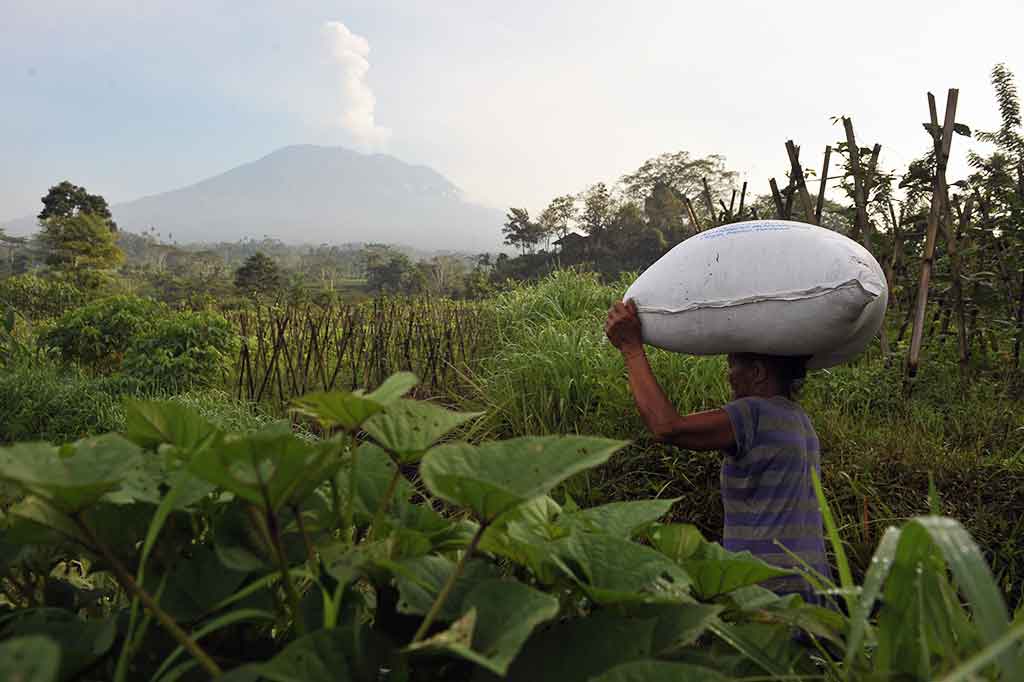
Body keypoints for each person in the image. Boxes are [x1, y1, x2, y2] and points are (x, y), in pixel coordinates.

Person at [604, 299, 831, 604]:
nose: (729, 377)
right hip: (813, 584)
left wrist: (631, 349)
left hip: (766, 589)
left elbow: (668, 427)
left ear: (758, 372)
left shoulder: (753, 414)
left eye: (732, 366)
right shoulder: (798, 420)